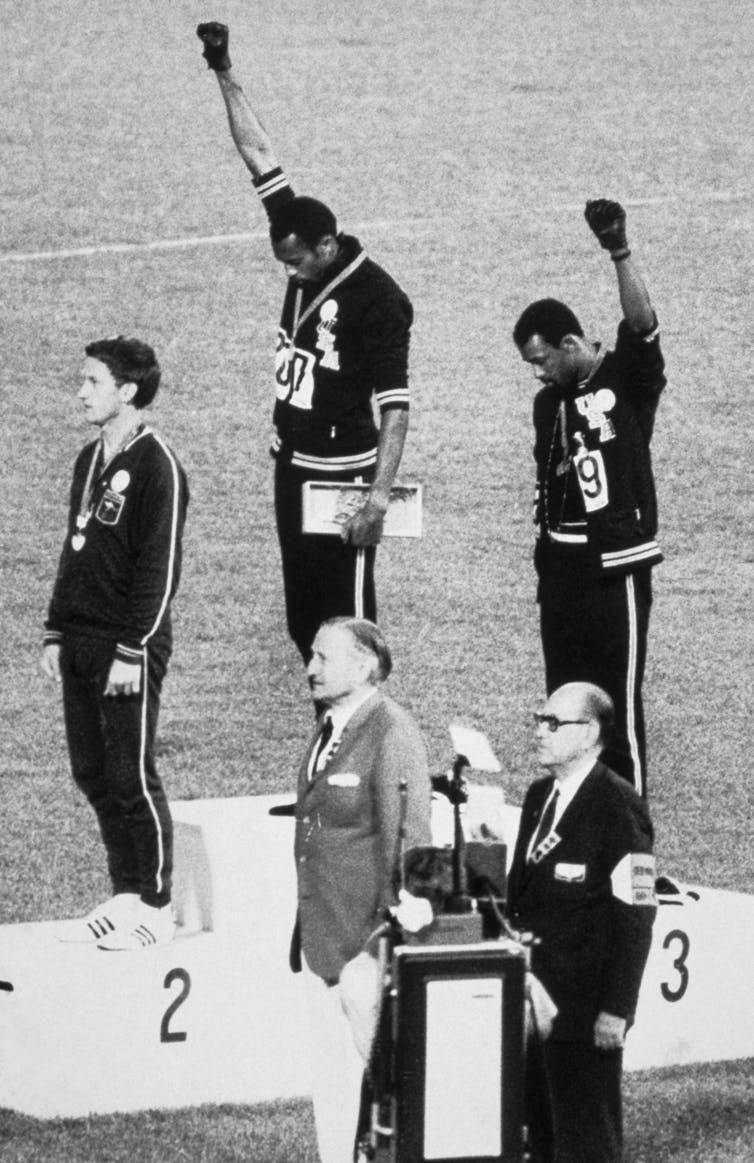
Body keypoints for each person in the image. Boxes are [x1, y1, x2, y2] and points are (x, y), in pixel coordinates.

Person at [196, 22, 414, 662]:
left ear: (327, 245)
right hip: (292, 465)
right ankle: (332, 723)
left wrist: (377, 496)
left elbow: (396, 405)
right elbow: (257, 152)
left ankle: (367, 738)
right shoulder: (298, 231)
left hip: (343, 475)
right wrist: (223, 67)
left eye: (297, 265)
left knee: (347, 623)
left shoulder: (380, 300)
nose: (290, 275)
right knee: (301, 621)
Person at [513, 200, 666, 797]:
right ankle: (580, 828)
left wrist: (618, 250)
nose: (538, 374)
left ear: (571, 341)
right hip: (559, 569)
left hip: (613, 567)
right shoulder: (547, 403)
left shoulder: (627, 379)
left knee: (617, 710)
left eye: (542, 360)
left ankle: (636, 849)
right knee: (567, 704)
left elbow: (643, 323)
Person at [41, 336, 189, 951]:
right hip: (79, 638)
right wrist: (55, 628)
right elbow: (74, 548)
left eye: (93, 382)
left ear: (127, 392)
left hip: (127, 647)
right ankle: (126, 888)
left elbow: (160, 570)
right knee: (92, 771)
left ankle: (156, 903)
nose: (81, 392)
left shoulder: (159, 467)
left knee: (130, 773)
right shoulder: (89, 458)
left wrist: (134, 649)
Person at [292, 616, 432, 1163]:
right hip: (319, 936)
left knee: (387, 1087)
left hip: (364, 943)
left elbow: (409, 843)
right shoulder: (330, 726)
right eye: (312, 655)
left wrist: (385, 941)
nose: (310, 669)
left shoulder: (391, 730)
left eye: (324, 657)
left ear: (366, 664)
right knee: (331, 1084)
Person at [506, 682, 656, 1163]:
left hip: (586, 1010)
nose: (540, 732)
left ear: (589, 732)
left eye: (553, 723)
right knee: (540, 1139)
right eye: (538, 719)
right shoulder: (537, 797)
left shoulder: (618, 805)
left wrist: (618, 1007)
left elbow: (637, 913)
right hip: (533, 1003)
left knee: (588, 1140)